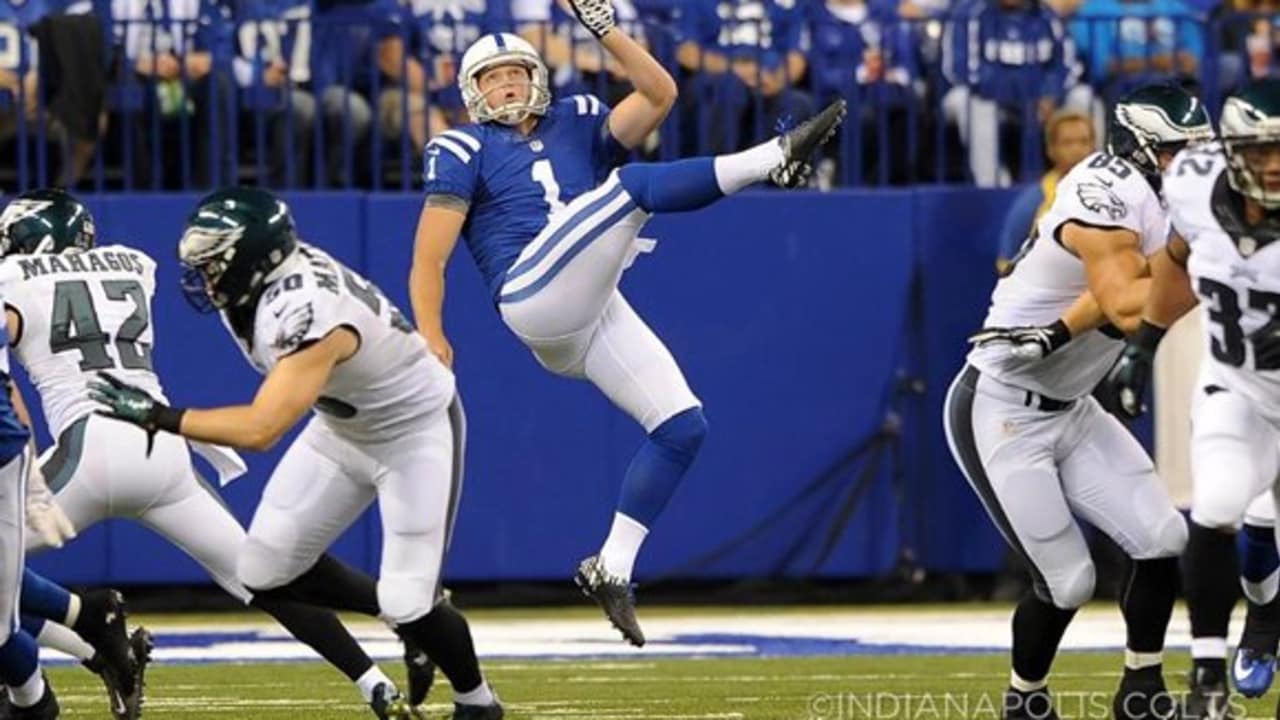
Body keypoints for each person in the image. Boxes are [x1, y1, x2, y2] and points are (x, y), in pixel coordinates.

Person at [408, 0, 845, 645]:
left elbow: (660, 93)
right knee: (630, 187)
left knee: (681, 427)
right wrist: (431, 332)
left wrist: (605, 31)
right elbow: (429, 256)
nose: (507, 85)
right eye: (493, 77)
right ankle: (771, 160)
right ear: (472, 92)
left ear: (538, 76)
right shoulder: (462, 146)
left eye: (516, 72)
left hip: (589, 304)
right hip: (531, 292)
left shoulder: (577, 119)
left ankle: (611, 566)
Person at [0, 188, 432, 720]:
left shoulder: (12, 281)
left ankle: (78, 650)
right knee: (264, 577)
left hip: (88, 446)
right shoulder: (135, 265)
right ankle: (377, 677)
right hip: (162, 449)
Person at [90, 186, 502, 720]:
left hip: (414, 431)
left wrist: (159, 417)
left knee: (410, 599)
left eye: (215, 263)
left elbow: (262, 428)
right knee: (262, 571)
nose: (206, 276)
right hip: (341, 427)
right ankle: (408, 617)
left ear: (253, 257)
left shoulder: (305, 307)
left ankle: (477, 701)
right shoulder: (260, 287)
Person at [945, 84, 1213, 719]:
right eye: (1179, 152)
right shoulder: (1104, 189)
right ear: (1141, 150)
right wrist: (1207, 261)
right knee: (1069, 581)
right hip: (1001, 404)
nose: (1193, 166)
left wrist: (1065, 326)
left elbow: (1139, 290)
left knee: (1162, 536)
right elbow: (1126, 305)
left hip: (1072, 405)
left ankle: (1141, 690)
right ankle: (1025, 701)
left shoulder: (1173, 202)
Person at [1102, 77, 1280, 718]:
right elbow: (1177, 256)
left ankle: (1264, 623)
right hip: (1238, 388)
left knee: (1265, 535)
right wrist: (1145, 344)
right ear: (1231, 151)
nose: (1275, 164)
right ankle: (1208, 678)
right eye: (1262, 151)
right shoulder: (1194, 184)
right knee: (1217, 505)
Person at [995, 109, 1097, 273]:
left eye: (1084, 142)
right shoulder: (1033, 202)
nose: (1077, 150)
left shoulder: (1114, 194)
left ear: (1094, 147)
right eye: (1068, 143)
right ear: (1051, 149)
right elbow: (1006, 263)